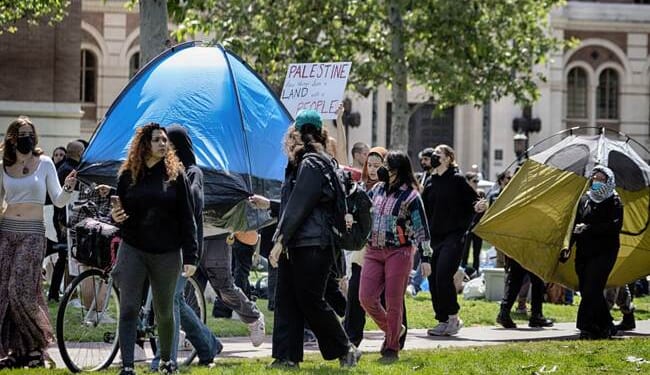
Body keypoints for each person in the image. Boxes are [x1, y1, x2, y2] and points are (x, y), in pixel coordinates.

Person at [269, 109, 360, 368]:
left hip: (310, 243)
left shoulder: (312, 163)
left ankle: (345, 348)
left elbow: (299, 205)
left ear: (297, 133)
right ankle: (286, 357)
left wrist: (280, 240)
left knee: (309, 300)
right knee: (288, 299)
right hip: (301, 243)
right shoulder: (313, 162)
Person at [111, 123, 199, 375]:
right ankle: (127, 366)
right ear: (144, 145)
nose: (163, 143)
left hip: (167, 253)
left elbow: (187, 217)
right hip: (133, 248)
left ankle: (167, 362)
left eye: (165, 140)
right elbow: (119, 212)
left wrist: (191, 255)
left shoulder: (176, 175)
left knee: (163, 310)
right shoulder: (128, 175)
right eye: (157, 140)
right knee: (128, 308)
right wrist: (116, 215)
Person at [0, 116, 76, 369]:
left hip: (33, 234)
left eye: (29, 133)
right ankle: (20, 352)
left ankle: (37, 344)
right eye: (21, 133)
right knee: (4, 294)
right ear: (12, 138)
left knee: (19, 290)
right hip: (6, 233)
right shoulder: (4, 165)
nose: (26, 137)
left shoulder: (44, 164)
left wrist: (67, 188)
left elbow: (58, 200)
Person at [150, 124, 223, 370]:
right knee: (176, 300)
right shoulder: (164, 172)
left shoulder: (193, 173)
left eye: (168, 144)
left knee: (169, 299)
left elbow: (194, 202)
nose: (164, 148)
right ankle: (208, 345)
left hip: (185, 247)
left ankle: (163, 359)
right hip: (166, 245)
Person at [359, 150, 431, 363]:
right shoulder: (377, 190)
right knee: (366, 297)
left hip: (399, 252)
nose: (381, 171)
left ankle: (391, 348)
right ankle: (394, 329)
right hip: (373, 251)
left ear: (397, 171)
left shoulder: (411, 196)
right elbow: (362, 209)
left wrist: (426, 259)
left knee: (393, 302)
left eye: (386, 167)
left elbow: (421, 228)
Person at [421, 144, 484, 336]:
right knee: (432, 279)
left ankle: (453, 317)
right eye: (434, 154)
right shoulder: (430, 182)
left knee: (442, 275)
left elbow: (473, 201)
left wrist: (479, 205)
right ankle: (442, 319)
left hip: (454, 236)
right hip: (434, 238)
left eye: (439, 154)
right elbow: (423, 209)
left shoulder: (457, 180)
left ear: (449, 158)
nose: (434, 156)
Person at [495, 170, 554, 329]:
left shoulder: (515, 194)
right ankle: (536, 315)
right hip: (530, 244)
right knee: (536, 280)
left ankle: (505, 312)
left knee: (515, 279)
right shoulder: (534, 195)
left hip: (519, 245)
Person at [570, 165, 623, 339]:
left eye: (601, 180)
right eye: (595, 179)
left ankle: (586, 327)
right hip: (584, 251)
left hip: (604, 252)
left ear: (608, 182)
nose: (597, 182)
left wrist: (589, 228)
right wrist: (567, 247)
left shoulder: (614, 201)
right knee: (586, 289)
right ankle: (607, 326)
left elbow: (614, 227)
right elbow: (576, 224)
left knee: (593, 286)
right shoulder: (585, 199)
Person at [343, 146, 387, 347]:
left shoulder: (390, 191)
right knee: (355, 294)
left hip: (386, 252)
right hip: (361, 250)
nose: (372, 169)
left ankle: (395, 336)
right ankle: (351, 339)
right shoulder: (360, 187)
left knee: (388, 298)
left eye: (378, 166)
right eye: (370, 164)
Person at [48, 141, 85, 302]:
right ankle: (59, 294)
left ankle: (57, 293)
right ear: (78, 153)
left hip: (61, 219)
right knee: (66, 256)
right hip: (65, 221)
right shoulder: (71, 171)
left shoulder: (62, 168)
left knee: (64, 256)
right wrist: (64, 224)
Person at [461, 171, 485, 274]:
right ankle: (462, 272)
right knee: (464, 252)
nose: (476, 183)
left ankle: (476, 271)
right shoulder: (463, 194)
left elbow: (485, 210)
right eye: (474, 181)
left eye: (477, 181)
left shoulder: (480, 194)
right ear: (467, 182)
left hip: (478, 228)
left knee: (477, 252)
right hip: (466, 228)